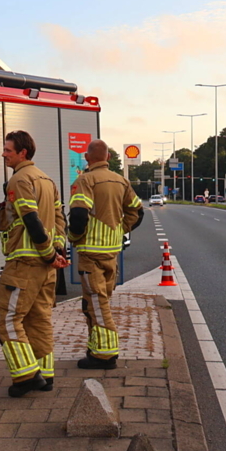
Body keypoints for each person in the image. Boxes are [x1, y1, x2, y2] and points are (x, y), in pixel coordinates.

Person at [0, 131, 68, 397]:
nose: (4, 154)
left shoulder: (19, 179)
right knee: (39, 320)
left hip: (25, 263)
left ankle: (26, 376)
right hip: (46, 267)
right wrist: (57, 251)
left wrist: (48, 253)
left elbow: (31, 220)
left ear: (22, 153)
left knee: (5, 320)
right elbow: (59, 220)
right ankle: (45, 376)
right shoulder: (47, 179)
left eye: (8, 150)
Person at [68, 139, 143, 369]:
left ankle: (106, 355)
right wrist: (121, 229)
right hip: (112, 252)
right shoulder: (121, 181)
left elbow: (79, 215)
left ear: (88, 158)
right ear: (108, 157)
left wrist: (73, 237)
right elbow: (138, 212)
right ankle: (95, 348)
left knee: (97, 304)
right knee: (94, 302)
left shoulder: (85, 180)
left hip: (90, 253)